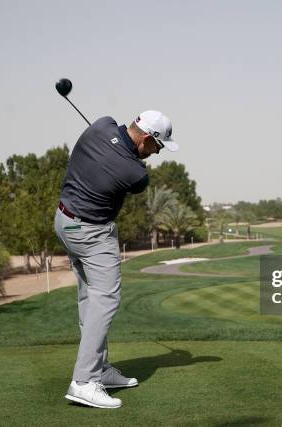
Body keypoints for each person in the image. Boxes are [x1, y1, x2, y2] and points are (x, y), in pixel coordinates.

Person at [54, 111, 178, 409]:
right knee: (106, 299)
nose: (155, 154)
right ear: (147, 138)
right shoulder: (136, 174)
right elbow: (135, 174)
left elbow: (114, 142)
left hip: (64, 222)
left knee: (90, 298)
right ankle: (84, 381)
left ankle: (100, 369)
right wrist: (123, 154)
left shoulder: (102, 124)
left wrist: (113, 147)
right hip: (92, 233)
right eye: (157, 148)